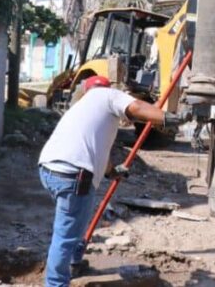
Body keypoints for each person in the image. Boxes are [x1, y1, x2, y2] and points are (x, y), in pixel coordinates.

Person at [37, 76, 183, 286]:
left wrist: (112, 171)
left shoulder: (83, 109)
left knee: (77, 216)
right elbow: (137, 107)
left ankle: (74, 261)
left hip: (50, 169)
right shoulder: (107, 95)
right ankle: (56, 283)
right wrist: (167, 118)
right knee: (66, 233)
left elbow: (96, 149)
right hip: (74, 175)